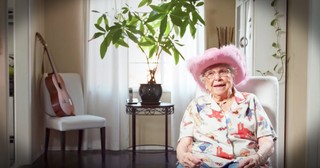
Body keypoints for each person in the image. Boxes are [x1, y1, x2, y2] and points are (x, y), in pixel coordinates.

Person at [176, 45, 277, 168]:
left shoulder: (250, 101)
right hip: (203, 163)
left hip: (243, 163)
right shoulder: (196, 105)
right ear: (205, 83)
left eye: (223, 71)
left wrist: (258, 158)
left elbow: (267, 141)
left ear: (233, 76)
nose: (217, 78)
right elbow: (185, 142)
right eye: (211, 74)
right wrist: (182, 155)